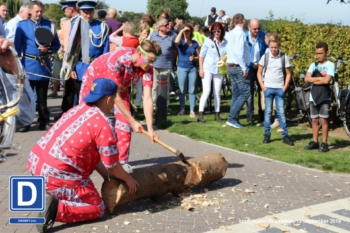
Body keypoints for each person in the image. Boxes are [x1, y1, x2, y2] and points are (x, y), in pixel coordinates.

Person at [27, 77, 139, 233]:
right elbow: (113, 165)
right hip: (57, 173)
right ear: (108, 100)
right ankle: (56, 210)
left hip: (37, 165)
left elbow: (93, 154)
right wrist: (127, 178)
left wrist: (107, 177)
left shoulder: (78, 109)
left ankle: (48, 196)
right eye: (114, 100)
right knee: (97, 207)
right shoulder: (104, 125)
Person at [79, 40, 162, 173]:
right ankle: (82, 158)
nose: (152, 65)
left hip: (119, 89)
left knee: (124, 124)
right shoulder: (117, 60)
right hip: (94, 85)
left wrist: (150, 128)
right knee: (89, 122)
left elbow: (147, 98)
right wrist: (133, 120)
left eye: (154, 61)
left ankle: (121, 163)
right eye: (150, 60)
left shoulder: (147, 68)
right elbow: (114, 95)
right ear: (140, 54)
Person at [14, 1, 60, 131]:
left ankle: (43, 119)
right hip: (28, 64)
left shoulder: (49, 24)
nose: (39, 14)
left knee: (42, 95)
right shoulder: (22, 25)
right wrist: (17, 66)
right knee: (27, 97)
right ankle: (27, 121)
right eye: (36, 11)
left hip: (43, 63)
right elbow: (18, 48)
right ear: (30, 11)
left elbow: (56, 44)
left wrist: (48, 50)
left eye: (41, 11)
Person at [60, 0, 110, 118]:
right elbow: (71, 49)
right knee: (79, 96)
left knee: (96, 95)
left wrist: (104, 69)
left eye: (91, 12)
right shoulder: (75, 25)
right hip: (80, 66)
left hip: (97, 66)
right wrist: (71, 67)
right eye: (85, 12)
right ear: (80, 12)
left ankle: (94, 118)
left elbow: (105, 50)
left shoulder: (102, 27)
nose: (88, 15)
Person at [257, 34, 294, 146]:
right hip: (268, 88)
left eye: (276, 47)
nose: (273, 49)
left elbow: (288, 73)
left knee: (281, 112)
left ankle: (285, 135)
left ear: (279, 46)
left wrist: (285, 87)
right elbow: (259, 72)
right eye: (272, 47)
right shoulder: (265, 57)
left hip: (279, 89)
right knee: (267, 112)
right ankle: (267, 134)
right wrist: (263, 87)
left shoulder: (283, 57)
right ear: (269, 46)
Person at [304, 42, 334, 152]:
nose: (318, 56)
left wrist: (315, 79)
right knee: (314, 120)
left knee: (324, 120)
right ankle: (315, 141)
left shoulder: (330, 65)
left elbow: (328, 80)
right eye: (317, 53)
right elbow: (306, 79)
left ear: (326, 52)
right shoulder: (313, 65)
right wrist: (320, 79)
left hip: (324, 97)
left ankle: (325, 143)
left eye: (321, 53)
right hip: (313, 96)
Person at [198, 22, 227, 122]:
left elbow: (229, 53)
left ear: (221, 31)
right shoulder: (207, 41)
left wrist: (225, 57)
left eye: (218, 31)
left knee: (217, 92)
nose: (216, 33)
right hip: (207, 68)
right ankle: (200, 114)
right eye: (214, 31)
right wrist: (201, 69)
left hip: (219, 68)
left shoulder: (226, 42)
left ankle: (217, 114)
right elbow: (201, 56)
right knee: (206, 91)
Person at [225, 13, 250, 129]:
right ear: (243, 21)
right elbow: (239, 52)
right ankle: (232, 118)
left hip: (230, 65)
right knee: (245, 93)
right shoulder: (240, 33)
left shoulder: (231, 33)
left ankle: (233, 118)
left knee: (236, 93)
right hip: (237, 65)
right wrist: (244, 68)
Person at [150, 18, 177, 113]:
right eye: (166, 25)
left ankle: (165, 106)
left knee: (166, 87)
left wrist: (171, 62)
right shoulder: (153, 35)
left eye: (169, 24)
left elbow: (175, 50)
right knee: (154, 86)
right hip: (155, 64)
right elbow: (149, 49)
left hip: (167, 65)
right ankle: (154, 106)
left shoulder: (173, 35)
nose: (168, 26)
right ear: (159, 27)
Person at [245, 18, 268, 124]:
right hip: (249, 67)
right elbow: (242, 54)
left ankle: (262, 114)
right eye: (254, 29)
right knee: (249, 93)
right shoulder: (244, 37)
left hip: (261, 67)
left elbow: (267, 49)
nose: (257, 31)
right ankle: (250, 115)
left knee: (262, 91)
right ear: (249, 27)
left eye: (258, 28)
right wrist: (250, 64)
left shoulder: (263, 35)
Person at [175, 23, 199, 118]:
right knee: (182, 90)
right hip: (182, 67)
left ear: (191, 32)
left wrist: (195, 58)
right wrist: (181, 30)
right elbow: (176, 41)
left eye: (188, 30)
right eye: (185, 31)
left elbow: (199, 56)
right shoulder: (181, 42)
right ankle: (182, 108)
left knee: (192, 89)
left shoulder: (194, 43)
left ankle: (192, 110)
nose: (187, 32)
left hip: (192, 68)